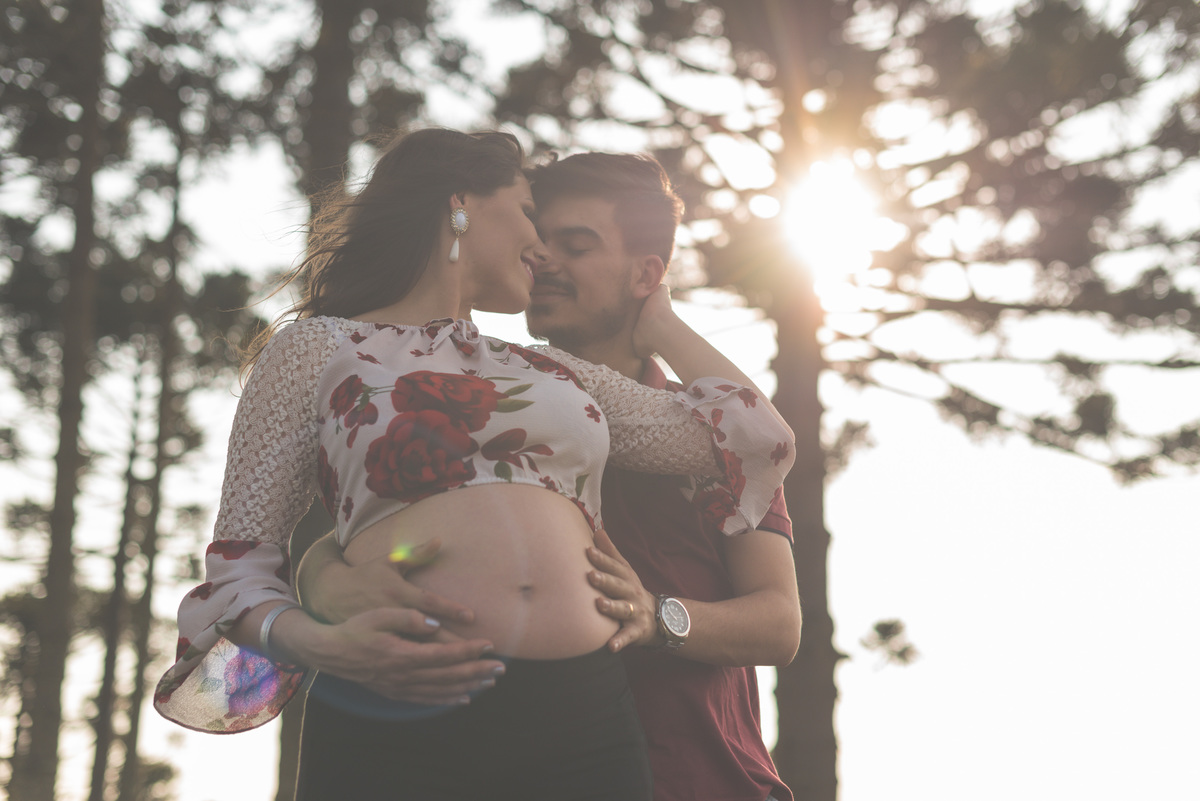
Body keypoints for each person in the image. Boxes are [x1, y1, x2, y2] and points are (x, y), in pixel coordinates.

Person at [152, 128, 795, 801]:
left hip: (583, 719)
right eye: (528, 215)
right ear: (460, 204)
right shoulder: (315, 349)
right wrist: (320, 641)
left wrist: (658, 319)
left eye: (566, 241)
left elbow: (756, 440)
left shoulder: (549, 370)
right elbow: (239, 565)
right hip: (393, 705)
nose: (541, 249)